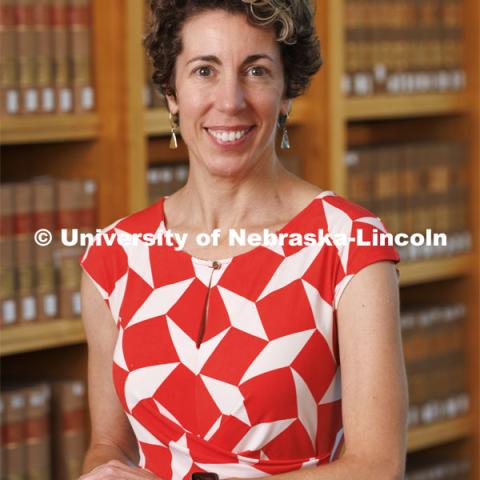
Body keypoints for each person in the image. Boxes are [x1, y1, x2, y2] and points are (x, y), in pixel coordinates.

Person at [78, 1, 408, 479]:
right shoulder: (113, 257)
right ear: (172, 94)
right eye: (204, 71)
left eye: (256, 70)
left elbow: (378, 468)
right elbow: (108, 445)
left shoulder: (349, 246)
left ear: (287, 91)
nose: (230, 100)